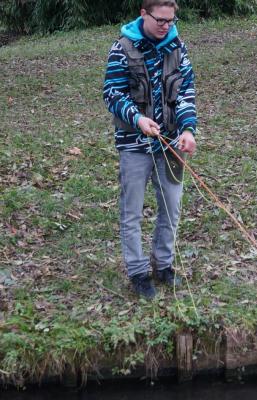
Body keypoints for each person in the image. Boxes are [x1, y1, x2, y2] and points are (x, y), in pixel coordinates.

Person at [103, 0, 197, 299]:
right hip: (134, 145)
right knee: (131, 211)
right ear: (144, 14)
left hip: (170, 145)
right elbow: (112, 94)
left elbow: (185, 93)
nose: (166, 25)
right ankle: (138, 272)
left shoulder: (177, 48)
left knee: (171, 208)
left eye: (171, 20)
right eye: (160, 20)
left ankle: (164, 266)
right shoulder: (122, 48)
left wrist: (187, 129)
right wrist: (138, 119)